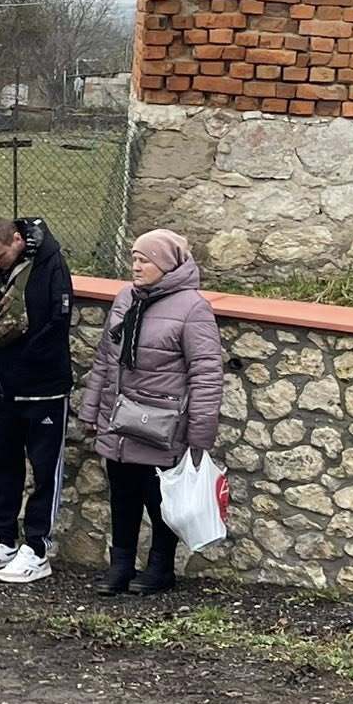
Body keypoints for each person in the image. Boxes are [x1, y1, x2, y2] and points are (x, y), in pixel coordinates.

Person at [79, 230, 224, 595]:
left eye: (144, 260)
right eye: (134, 258)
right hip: (120, 421)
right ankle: (121, 566)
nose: (136, 266)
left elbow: (206, 374)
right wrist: (91, 411)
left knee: (160, 501)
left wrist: (199, 434)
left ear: (165, 264)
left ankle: (160, 569)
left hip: (162, 425)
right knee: (122, 496)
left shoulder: (192, 308)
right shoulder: (126, 298)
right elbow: (105, 359)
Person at [0, 216, 77, 587]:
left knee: (44, 468)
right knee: (0, 462)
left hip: (43, 387)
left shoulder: (51, 265)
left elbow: (57, 323)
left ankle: (38, 548)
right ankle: (3, 538)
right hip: (0, 386)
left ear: (16, 240)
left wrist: (24, 363)